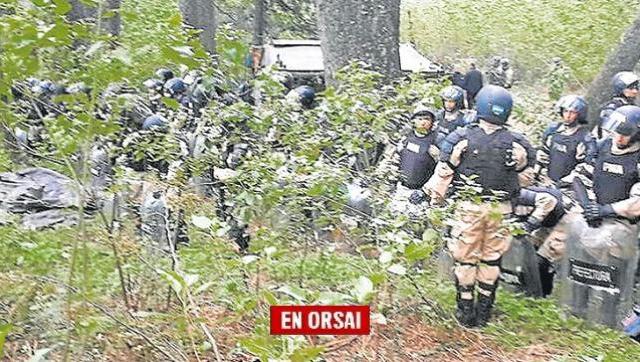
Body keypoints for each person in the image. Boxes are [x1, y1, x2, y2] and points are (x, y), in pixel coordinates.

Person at [424, 85, 535, 327]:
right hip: (501, 209)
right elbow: (526, 178)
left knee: (465, 259)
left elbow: (444, 172)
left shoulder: (461, 138)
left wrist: (436, 202)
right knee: (491, 260)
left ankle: (465, 311)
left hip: (469, 208)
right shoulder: (518, 143)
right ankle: (484, 311)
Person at [559, 105, 640, 329]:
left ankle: (607, 322)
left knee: (610, 276)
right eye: (617, 132)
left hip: (622, 225)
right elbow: (578, 177)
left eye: (626, 133)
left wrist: (607, 210)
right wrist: (587, 205)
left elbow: (638, 202)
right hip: (594, 219)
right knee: (582, 266)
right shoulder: (604, 147)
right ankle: (577, 312)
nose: (620, 137)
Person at [509, 187, 577, 297]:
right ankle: (531, 294)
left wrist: (529, 225)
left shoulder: (515, 193)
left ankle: (542, 296)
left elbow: (549, 201)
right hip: (546, 221)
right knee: (532, 254)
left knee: (543, 258)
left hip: (566, 215)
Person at [383, 107, 439, 217]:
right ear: (413, 121)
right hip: (401, 189)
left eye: (426, 119)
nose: (423, 122)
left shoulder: (437, 140)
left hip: (421, 193)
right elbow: (393, 161)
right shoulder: (406, 138)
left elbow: (442, 171)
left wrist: (438, 156)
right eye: (419, 119)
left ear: (432, 122)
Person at [537, 95, 590, 184]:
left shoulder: (584, 137)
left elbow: (584, 167)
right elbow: (543, 154)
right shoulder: (553, 130)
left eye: (572, 112)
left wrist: (565, 183)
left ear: (579, 115)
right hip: (547, 181)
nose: (568, 115)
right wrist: (540, 173)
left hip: (569, 186)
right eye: (565, 111)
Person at [596, 71, 639, 141]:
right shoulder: (611, 109)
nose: (635, 91)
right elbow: (608, 135)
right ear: (620, 88)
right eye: (630, 88)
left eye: (636, 88)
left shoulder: (633, 107)